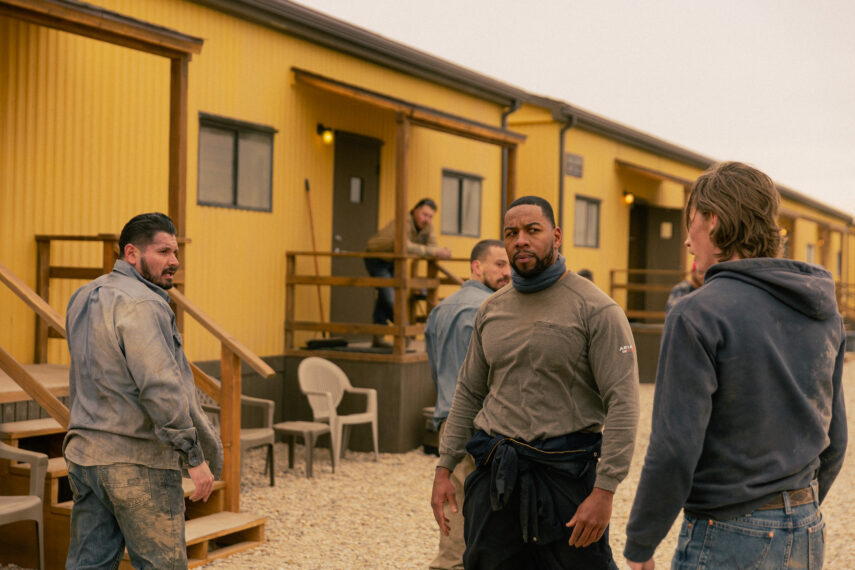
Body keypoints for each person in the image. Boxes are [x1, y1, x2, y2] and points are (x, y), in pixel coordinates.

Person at [624, 162, 847, 569]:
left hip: (729, 533)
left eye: (690, 223)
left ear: (713, 220)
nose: (688, 242)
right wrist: (792, 510)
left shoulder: (697, 313)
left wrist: (641, 543)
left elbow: (674, 447)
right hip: (807, 528)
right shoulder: (822, 310)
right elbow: (836, 438)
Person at [431, 196, 640, 569]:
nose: (521, 240)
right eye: (511, 233)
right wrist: (444, 468)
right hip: (496, 479)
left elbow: (623, 402)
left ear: (556, 236)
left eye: (532, 230)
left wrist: (604, 491)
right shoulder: (492, 309)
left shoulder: (597, 309)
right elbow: (469, 392)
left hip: (567, 480)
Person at [64, 212, 223, 569]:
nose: (174, 262)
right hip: (139, 462)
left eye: (175, 252)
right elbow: (160, 388)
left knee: (88, 565)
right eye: (164, 252)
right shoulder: (146, 303)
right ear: (132, 253)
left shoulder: (83, 295)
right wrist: (193, 456)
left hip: (85, 457)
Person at [425, 239, 511, 570]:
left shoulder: (439, 310)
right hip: (484, 427)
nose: (507, 273)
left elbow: (434, 369)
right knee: (487, 516)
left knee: (455, 511)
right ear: (476, 267)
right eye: (499, 265)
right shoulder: (492, 309)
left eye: (508, 265)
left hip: (449, 421)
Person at [364, 198, 452, 348]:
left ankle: (378, 339)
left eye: (430, 216)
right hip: (376, 257)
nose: (427, 219)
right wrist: (435, 251)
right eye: (424, 215)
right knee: (390, 298)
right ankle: (405, 333)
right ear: (415, 211)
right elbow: (404, 245)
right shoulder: (403, 221)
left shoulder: (428, 227)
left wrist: (437, 251)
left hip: (394, 261)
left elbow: (432, 246)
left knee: (384, 297)